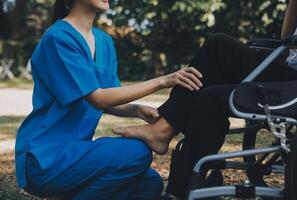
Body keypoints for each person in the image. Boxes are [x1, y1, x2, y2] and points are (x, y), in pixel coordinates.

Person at [15, 0, 203, 199]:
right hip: (46, 158)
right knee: (137, 152)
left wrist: (137, 110)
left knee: (148, 184)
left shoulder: (103, 40)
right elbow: (98, 98)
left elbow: (108, 95)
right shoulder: (58, 37)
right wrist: (163, 80)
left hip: (77, 151)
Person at [113, 0, 297, 199]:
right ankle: (178, 186)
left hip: (294, 81)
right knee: (215, 66)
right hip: (286, 65)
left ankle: (165, 141)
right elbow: (286, 38)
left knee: (216, 71)